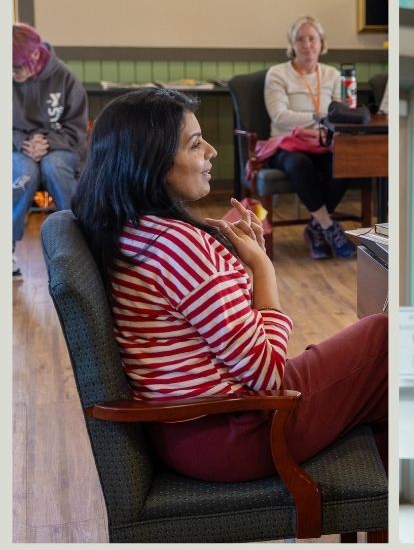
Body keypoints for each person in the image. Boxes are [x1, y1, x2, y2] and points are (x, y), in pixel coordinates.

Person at [72, 88, 386, 484]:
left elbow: (197, 322)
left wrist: (223, 268)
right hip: (234, 436)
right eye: (195, 144)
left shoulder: (128, 229)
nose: (212, 152)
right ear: (153, 162)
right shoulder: (177, 246)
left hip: (182, 431)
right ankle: (377, 501)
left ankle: (364, 488)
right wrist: (262, 268)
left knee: (370, 370)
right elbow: (269, 376)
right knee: (383, 335)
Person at [263, 15, 355, 260]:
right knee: (298, 164)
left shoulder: (332, 75)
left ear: (321, 43)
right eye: (300, 39)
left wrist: (325, 121)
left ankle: (315, 229)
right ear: (292, 45)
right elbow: (280, 116)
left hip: (322, 143)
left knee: (347, 160)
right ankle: (329, 227)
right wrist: (321, 116)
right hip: (286, 145)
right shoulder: (277, 74)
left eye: (312, 39)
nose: (307, 45)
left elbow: (341, 114)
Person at [12, 23, 87, 278]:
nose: (11, 73)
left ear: (33, 56)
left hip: (60, 146)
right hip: (17, 147)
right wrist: (19, 141)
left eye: (16, 67)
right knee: (21, 174)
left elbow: (76, 129)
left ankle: (82, 242)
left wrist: (47, 142)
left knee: (55, 168)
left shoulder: (65, 78)